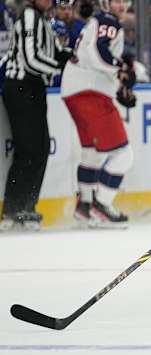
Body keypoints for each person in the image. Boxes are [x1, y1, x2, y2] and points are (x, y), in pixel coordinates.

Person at [61, 0, 135, 228]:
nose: (121, 5)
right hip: (89, 92)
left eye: (125, 1)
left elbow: (95, 57)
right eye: (116, 0)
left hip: (74, 89)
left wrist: (120, 82)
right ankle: (99, 205)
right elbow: (98, 53)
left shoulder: (98, 20)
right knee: (124, 155)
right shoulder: (108, 21)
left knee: (91, 153)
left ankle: (84, 207)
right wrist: (120, 68)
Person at [0, 0, 72, 231]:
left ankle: (27, 206)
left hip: (33, 89)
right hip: (21, 88)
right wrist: (59, 66)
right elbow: (32, 59)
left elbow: (52, 52)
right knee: (29, 149)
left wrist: (69, 56)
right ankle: (13, 209)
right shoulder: (30, 16)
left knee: (40, 148)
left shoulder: (41, 19)